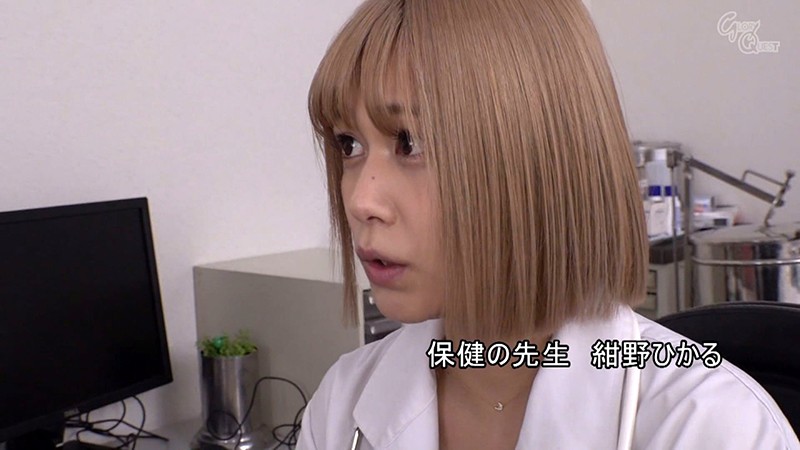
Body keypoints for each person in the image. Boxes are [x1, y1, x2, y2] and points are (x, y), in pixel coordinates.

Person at [297, 0, 800, 448]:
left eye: (411, 142)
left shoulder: (714, 428)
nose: (361, 200)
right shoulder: (343, 403)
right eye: (349, 145)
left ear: (537, 156)